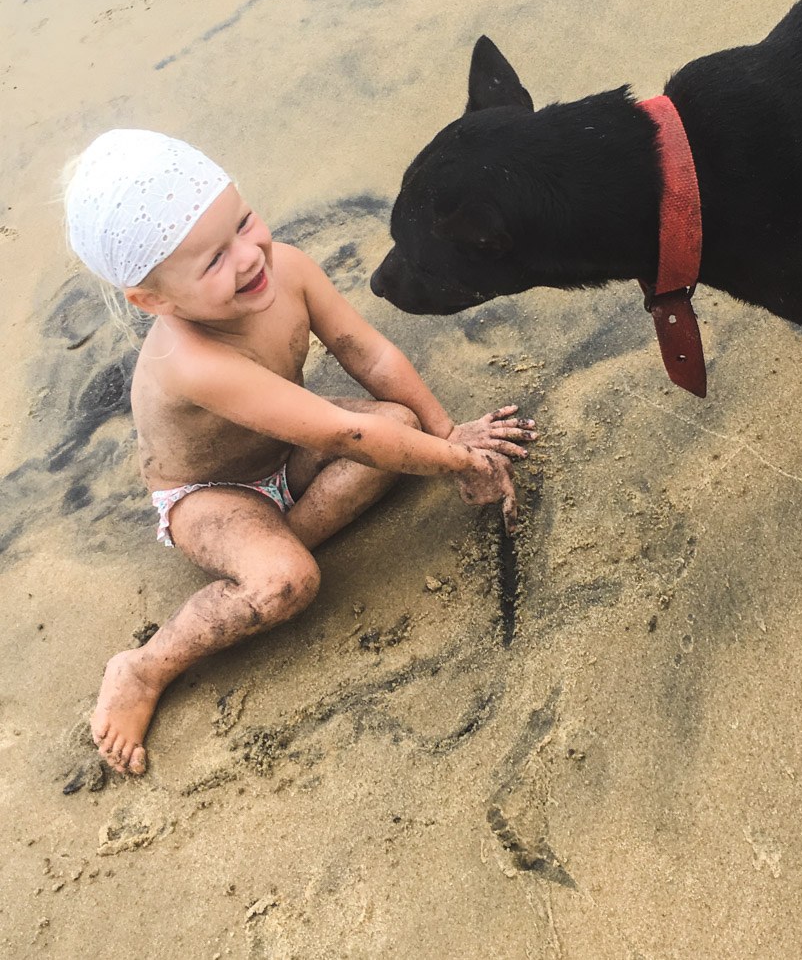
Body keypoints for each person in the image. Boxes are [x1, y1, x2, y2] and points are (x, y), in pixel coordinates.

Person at [63, 129, 535, 776]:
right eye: (211, 262)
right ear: (155, 300)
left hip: (289, 449)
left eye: (244, 222)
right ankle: (147, 667)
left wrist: (445, 430)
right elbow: (347, 435)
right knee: (287, 581)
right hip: (211, 496)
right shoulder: (192, 360)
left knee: (401, 422)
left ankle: (283, 535)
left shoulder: (286, 267)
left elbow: (366, 351)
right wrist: (460, 462)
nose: (248, 255)